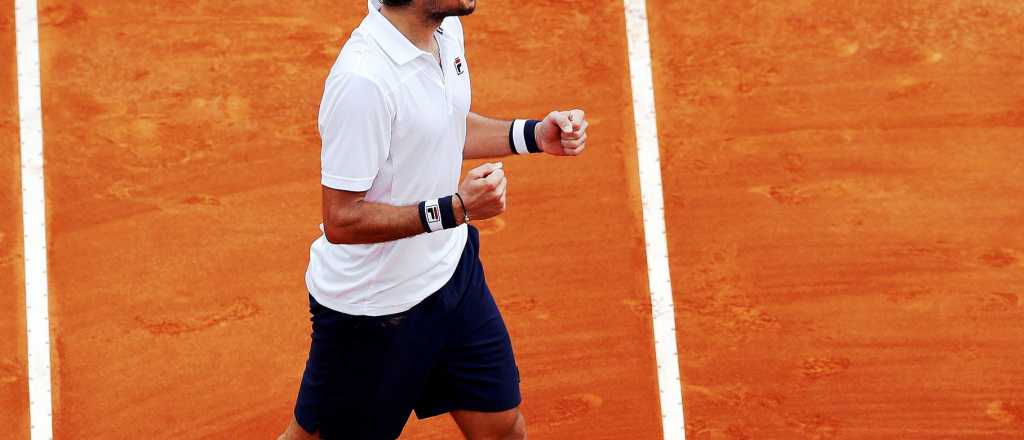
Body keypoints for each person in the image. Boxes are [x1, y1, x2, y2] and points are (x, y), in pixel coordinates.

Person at [279, 0, 588, 438]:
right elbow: (342, 220)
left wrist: (532, 135)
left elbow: (442, 126)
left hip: (451, 278)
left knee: (503, 430)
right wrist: (456, 209)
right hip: (375, 313)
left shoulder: (443, 33)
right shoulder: (363, 81)